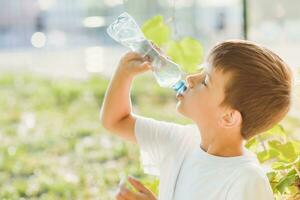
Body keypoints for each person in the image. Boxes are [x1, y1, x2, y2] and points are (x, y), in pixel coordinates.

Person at [100, 40, 293, 200]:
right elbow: (116, 120)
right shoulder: (181, 140)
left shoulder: (247, 180)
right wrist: (124, 73)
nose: (191, 79)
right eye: (201, 70)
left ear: (228, 117)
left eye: (206, 81)